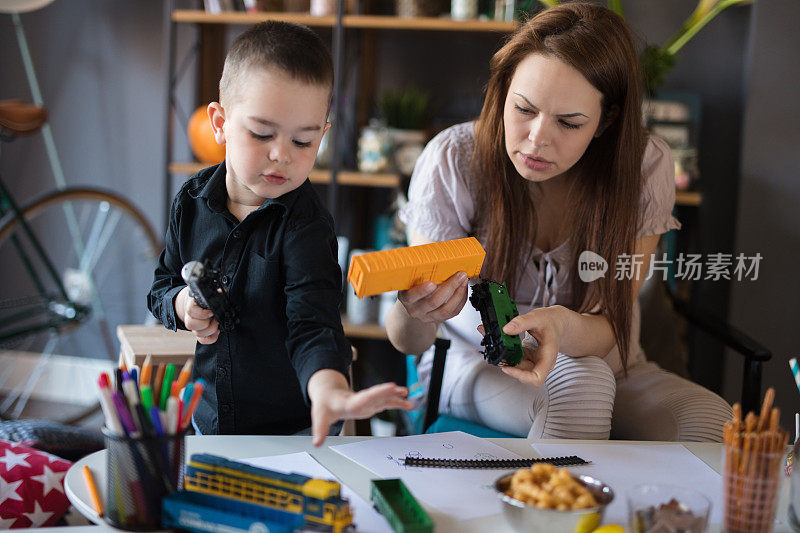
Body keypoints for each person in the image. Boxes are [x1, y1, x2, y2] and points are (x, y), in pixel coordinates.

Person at [385, 2, 732, 441]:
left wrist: (564, 328)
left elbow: (613, 326)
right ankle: (555, 511)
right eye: (524, 109)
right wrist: (411, 311)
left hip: (608, 361)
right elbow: (409, 340)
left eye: (569, 123)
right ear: (504, 88)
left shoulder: (643, 165)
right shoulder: (453, 159)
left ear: (605, 121)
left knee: (712, 422)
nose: (536, 140)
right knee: (581, 391)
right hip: (478, 362)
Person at [148, 21, 412, 445]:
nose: (281, 155)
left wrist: (329, 389)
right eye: (262, 133)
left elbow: (314, 323)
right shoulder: (192, 202)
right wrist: (179, 304)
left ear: (322, 135)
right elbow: (161, 284)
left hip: (292, 430)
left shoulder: (307, 226)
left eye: (303, 142)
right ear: (219, 123)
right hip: (211, 418)